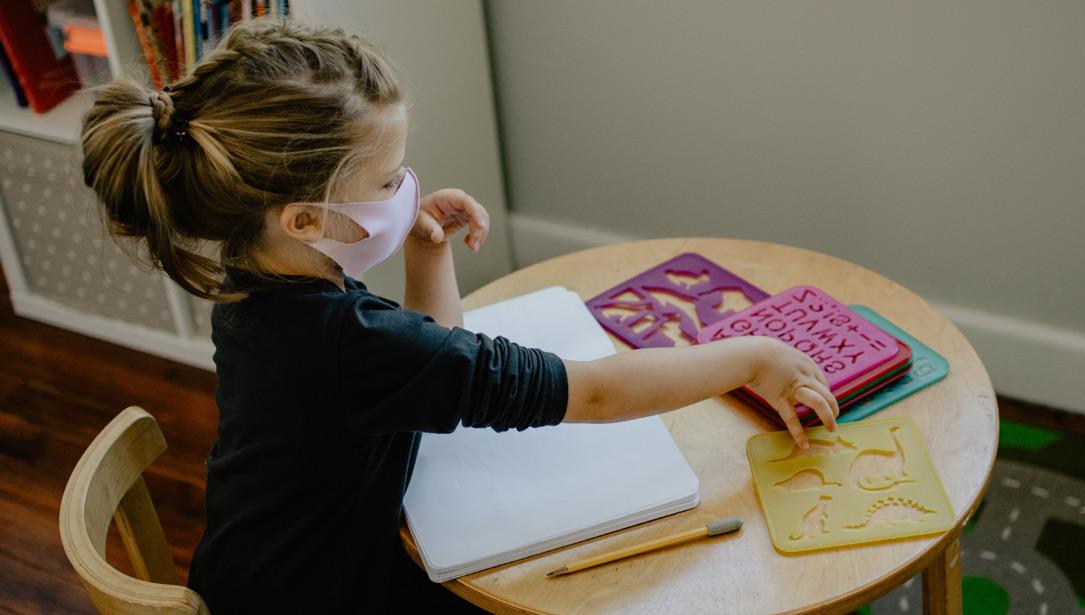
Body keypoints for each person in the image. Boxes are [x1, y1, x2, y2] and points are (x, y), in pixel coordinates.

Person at [79, 18, 838, 614]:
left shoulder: (254, 285)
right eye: (386, 181)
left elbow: (424, 362)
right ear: (306, 220)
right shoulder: (350, 342)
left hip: (262, 575)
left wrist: (423, 250)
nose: (407, 186)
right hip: (330, 596)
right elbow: (597, 392)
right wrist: (746, 355)